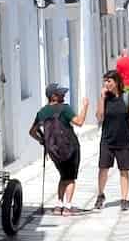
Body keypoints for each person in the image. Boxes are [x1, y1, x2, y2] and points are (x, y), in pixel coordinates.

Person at [29, 83, 89, 214]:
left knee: (63, 176)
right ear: (53, 96)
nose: (64, 95)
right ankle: (67, 207)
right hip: (71, 148)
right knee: (71, 178)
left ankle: (58, 205)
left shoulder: (42, 112)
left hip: (54, 151)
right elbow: (79, 122)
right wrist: (85, 107)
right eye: (61, 93)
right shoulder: (65, 108)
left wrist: (42, 141)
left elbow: (32, 131)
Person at [94, 68, 129, 210]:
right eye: (105, 81)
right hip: (107, 140)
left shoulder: (127, 97)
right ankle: (100, 195)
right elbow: (99, 117)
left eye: (109, 81)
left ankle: (124, 199)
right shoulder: (105, 99)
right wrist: (102, 98)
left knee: (124, 170)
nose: (106, 84)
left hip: (124, 139)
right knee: (103, 168)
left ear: (116, 82)